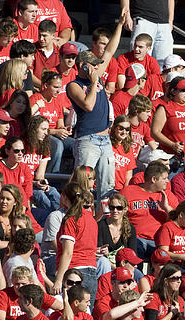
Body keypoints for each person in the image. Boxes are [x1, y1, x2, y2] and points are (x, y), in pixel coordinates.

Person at [65, 20, 125, 206]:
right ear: (83, 66)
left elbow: (109, 51)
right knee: (82, 184)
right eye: (93, 65)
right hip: (87, 139)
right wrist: (93, 83)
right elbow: (88, 106)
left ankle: (104, 220)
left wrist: (120, 25)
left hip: (105, 139)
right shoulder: (74, 86)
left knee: (108, 185)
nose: (97, 67)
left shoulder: (96, 74)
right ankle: (78, 214)